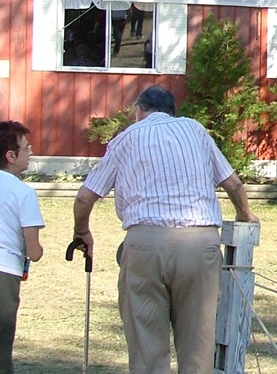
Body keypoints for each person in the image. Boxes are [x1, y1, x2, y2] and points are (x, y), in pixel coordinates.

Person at [71, 85, 259, 373]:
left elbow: (85, 196)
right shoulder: (195, 131)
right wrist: (244, 214)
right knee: (198, 345)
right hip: (199, 242)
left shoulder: (127, 138)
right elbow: (233, 183)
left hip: (145, 244)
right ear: (172, 112)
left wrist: (81, 231)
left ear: (140, 110)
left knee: (147, 348)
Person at [0, 121, 44, 373]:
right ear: (11, 155)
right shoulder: (23, 193)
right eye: (26, 148)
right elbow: (34, 251)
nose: (31, 153)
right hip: (5, 272)